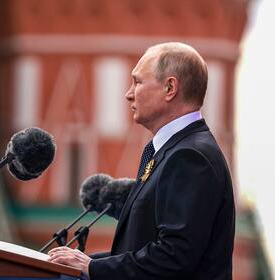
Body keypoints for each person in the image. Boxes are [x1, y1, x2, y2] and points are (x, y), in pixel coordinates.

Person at [48, 42, 235, 280]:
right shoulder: (173, 150)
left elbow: (173, 257)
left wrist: (91, 267)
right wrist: (81, 263)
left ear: (170, 88)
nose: (128, 94)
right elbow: (140, 250)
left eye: (137, 82)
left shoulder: (189, 157)